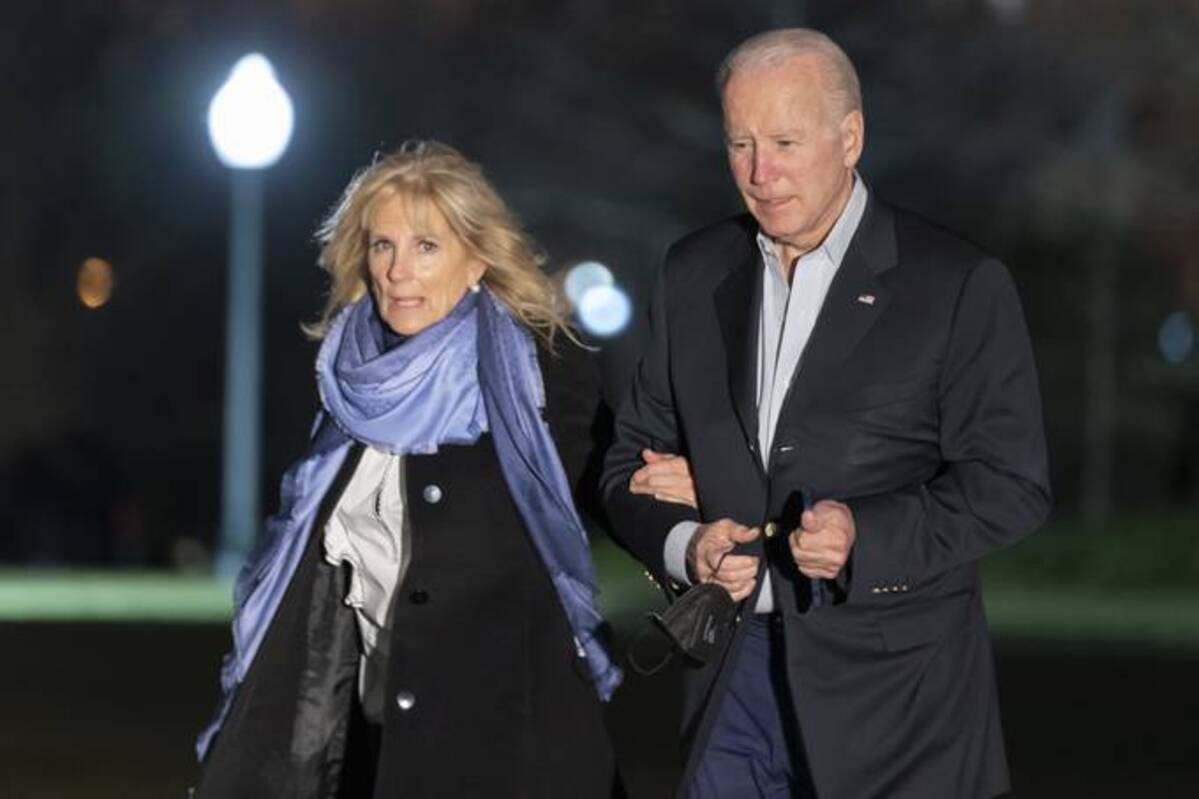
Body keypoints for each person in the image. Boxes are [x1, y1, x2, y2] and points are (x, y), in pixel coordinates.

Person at [601, 28, 1051, 799]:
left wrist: (862, 536)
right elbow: (623, 466)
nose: (759, 172)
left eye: (782, 140)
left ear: (850, 137)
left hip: (897, 705)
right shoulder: (693, 271)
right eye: (739, 142)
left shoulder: (955, 284)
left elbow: (1011, 484)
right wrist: (685, 541)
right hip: (731, 682)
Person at [194, 140, 623, 798]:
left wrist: (688, 539)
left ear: (477, 259)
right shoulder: (345, 384)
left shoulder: (540, 370)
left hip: (507, 749)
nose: (398, 270)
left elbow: (616, 482)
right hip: (372, 744)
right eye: (382, 245)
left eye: (426, 246)